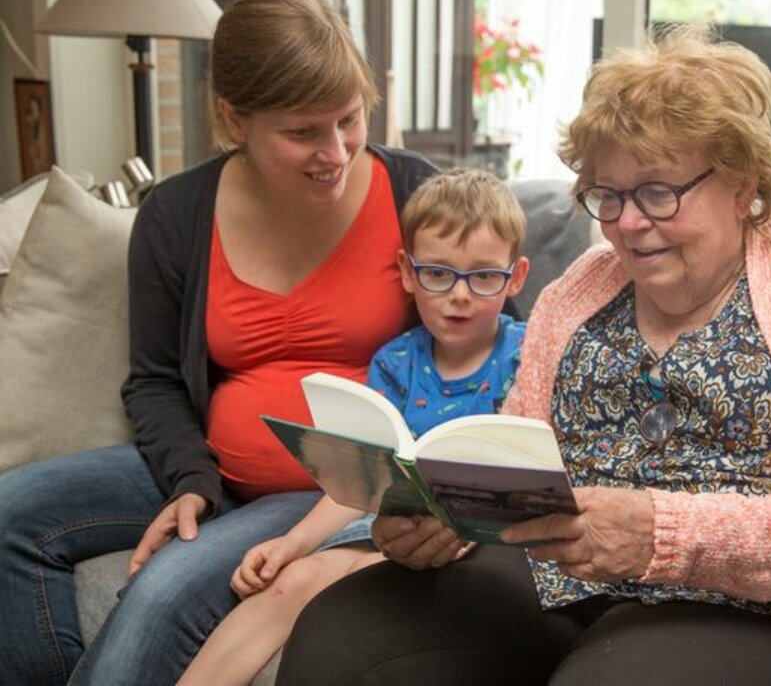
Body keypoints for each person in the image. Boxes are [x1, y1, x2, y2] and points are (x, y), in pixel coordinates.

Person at [276, 26, 771, 686]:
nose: (627, 223)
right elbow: (511, 458)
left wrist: (658, 534)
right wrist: (444, 522)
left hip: (737, 604)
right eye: (608, 195)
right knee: (340, 629)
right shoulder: (579, 289)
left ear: (742, 184)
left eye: (657, 192)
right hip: (553, 576)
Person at [0, 0, 437, 685]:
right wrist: (190, 482)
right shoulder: (177, 213)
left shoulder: (417, 195)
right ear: (236, 118)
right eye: (303, 133)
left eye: (349, 120)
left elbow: (493, 343)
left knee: (158, 597)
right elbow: (155, 380)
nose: (335, 152)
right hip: (210, 467)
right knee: (10, 513)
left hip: (333, 490)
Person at [180, 167, 530, 685]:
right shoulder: (395, 362)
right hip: (379, 524)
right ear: (407, 272)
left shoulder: (527, 353)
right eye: (438, 274)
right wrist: (292, 543)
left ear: (515, 277)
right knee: (290, 582)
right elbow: (360, 481)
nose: (460, 294)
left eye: (483, 276)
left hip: (471, 542)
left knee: (359, 583)